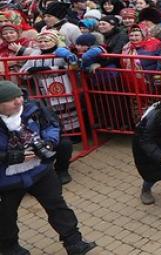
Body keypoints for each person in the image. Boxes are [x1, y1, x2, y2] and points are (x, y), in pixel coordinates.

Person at [0, 80, 96, 255]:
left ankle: (74, 242)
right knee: (5, 218)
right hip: (6, 180)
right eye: (11, 99)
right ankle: (10, 249)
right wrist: (8, 157)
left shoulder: (33, 108)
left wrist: (49, 143)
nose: (18, 101)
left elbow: (52, 125)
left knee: (58, 206)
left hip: (39, 171)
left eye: (18, 96)